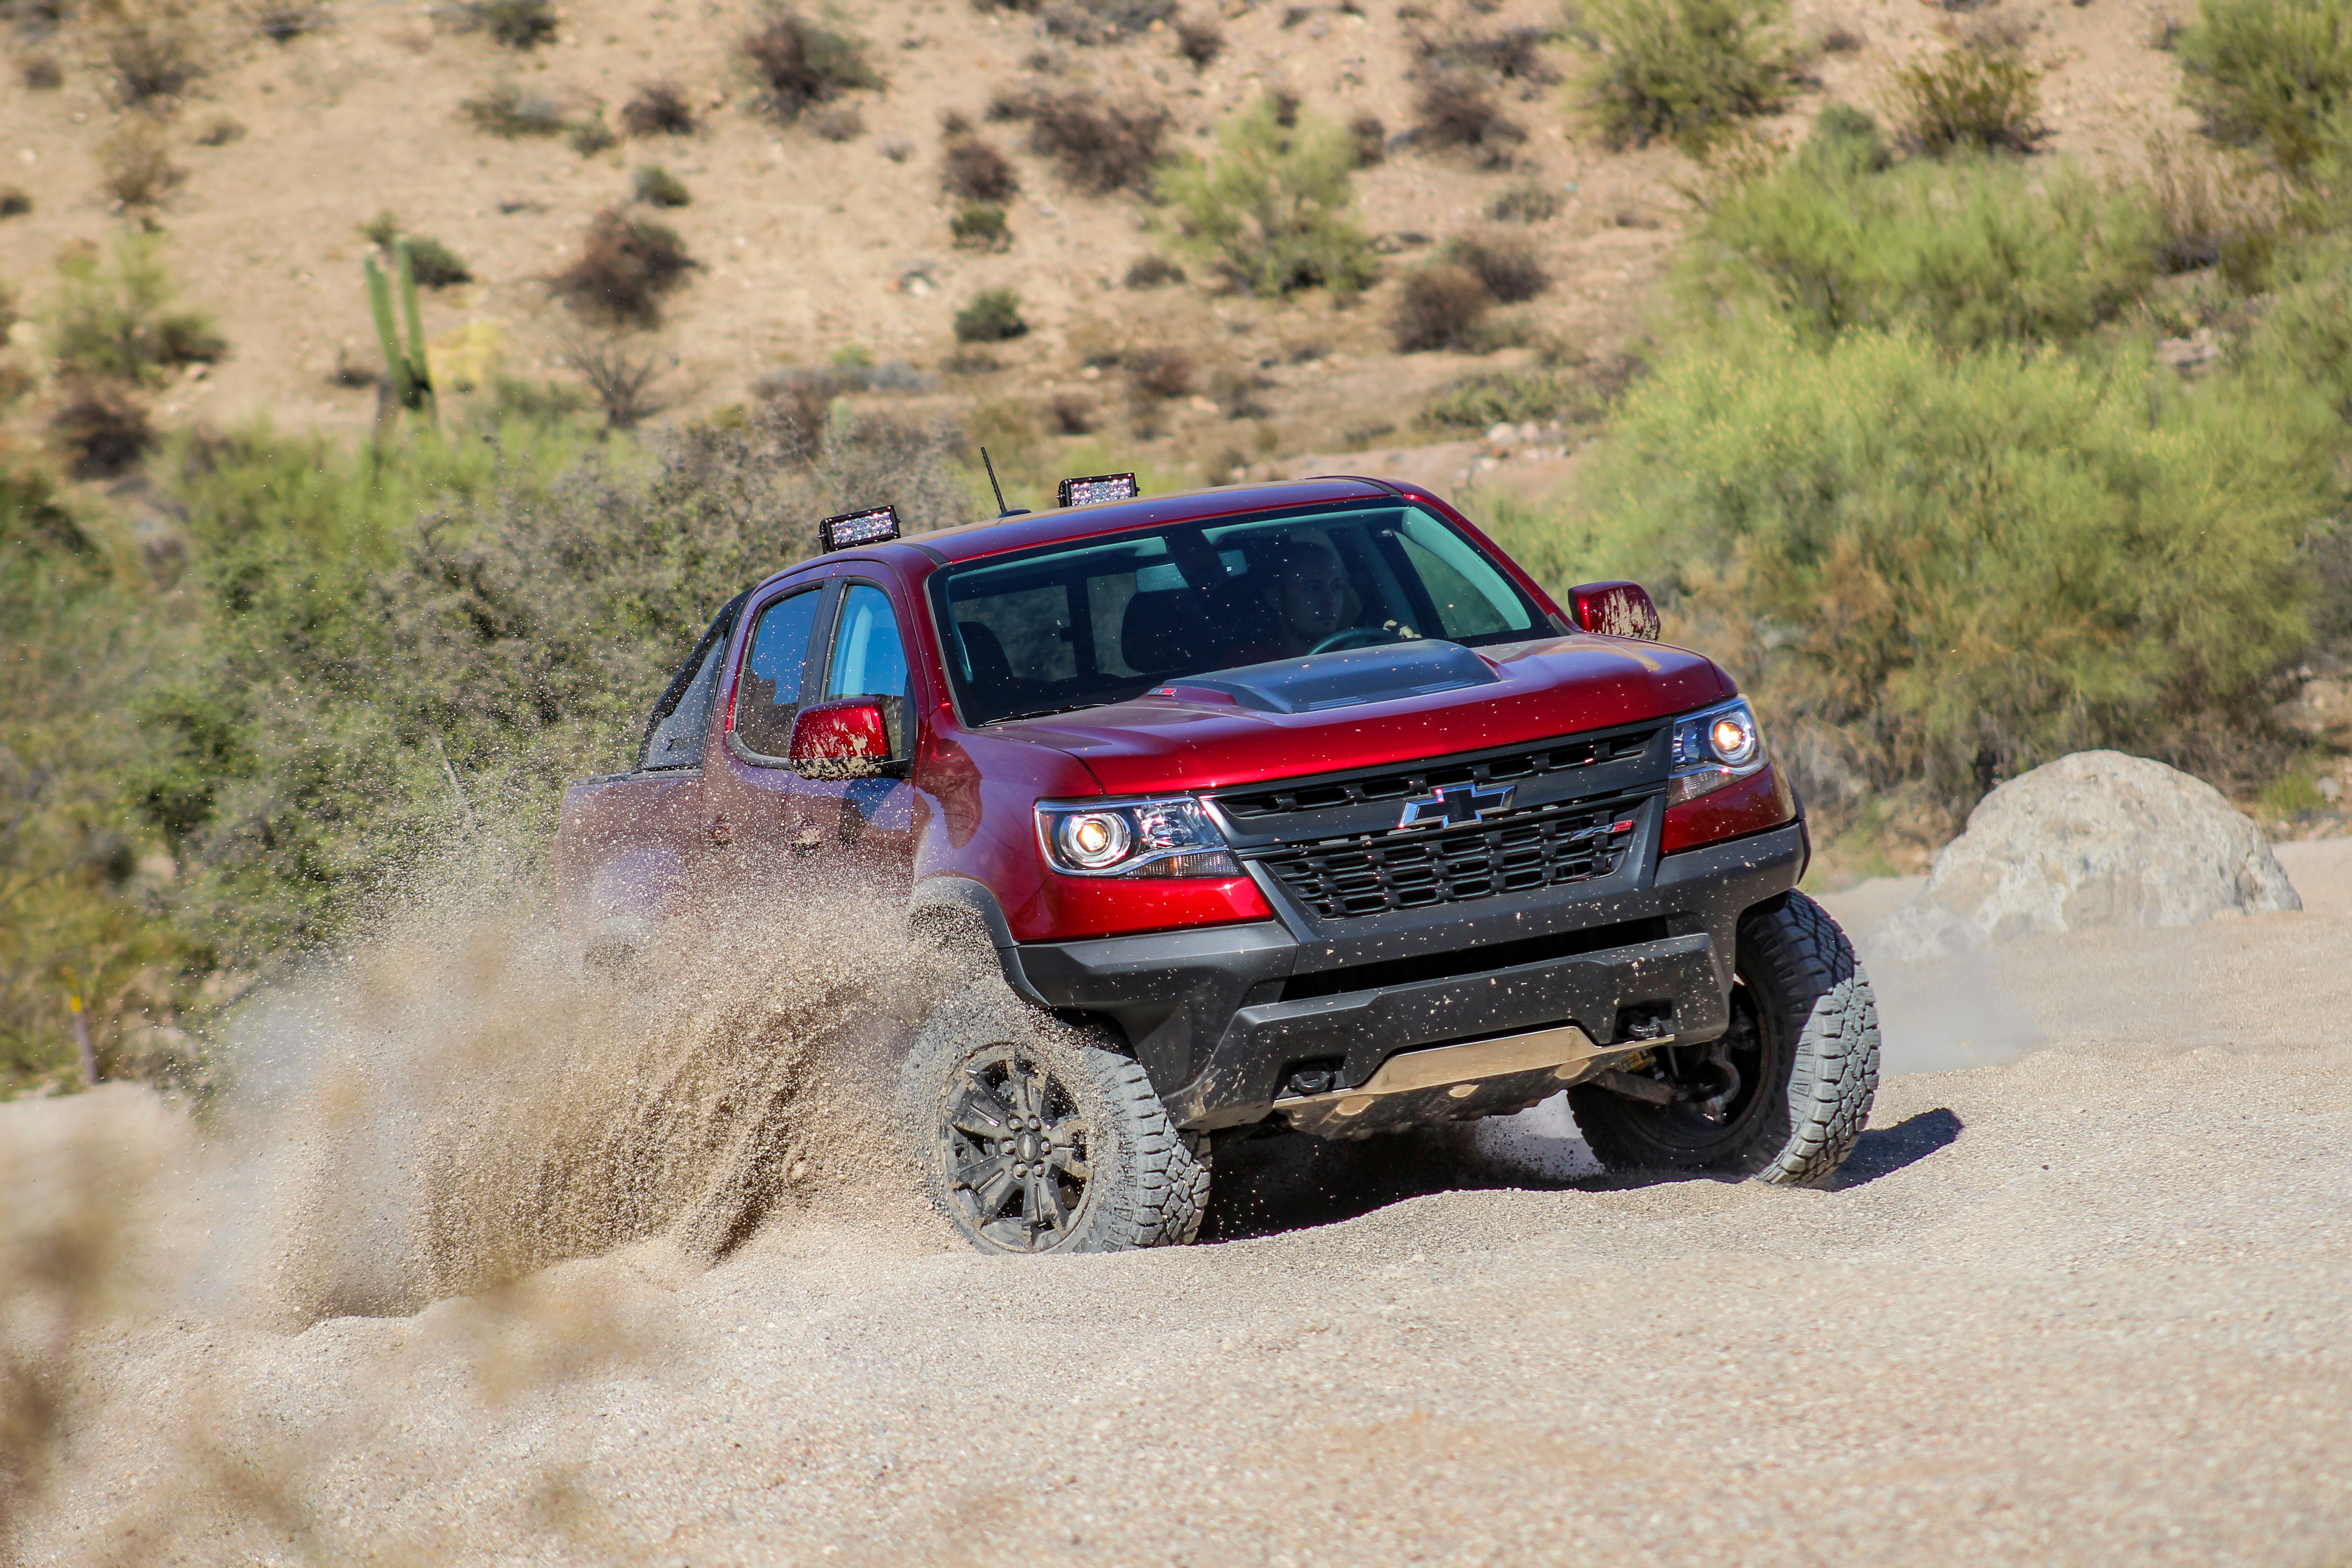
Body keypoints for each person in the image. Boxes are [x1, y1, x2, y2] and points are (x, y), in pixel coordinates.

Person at [1232, 533, 1356, 661]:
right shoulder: (1248, 665)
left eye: (1336, 587)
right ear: (1276, 598)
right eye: (1312, 588)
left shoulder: (1359, 655)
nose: (1331, 602)